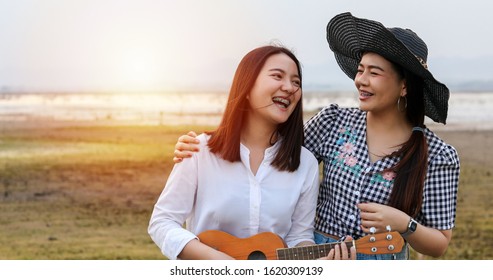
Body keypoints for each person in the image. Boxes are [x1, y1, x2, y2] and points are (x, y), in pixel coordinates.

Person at [172, 13, 460, 260]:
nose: (361, 80)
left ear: (404, 86)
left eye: (375, 72)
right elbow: (271, 148)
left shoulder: (436, 154)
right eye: (360, 71)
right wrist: (211, 142)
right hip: (313, 253)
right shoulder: (334, 122)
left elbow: (440, 241)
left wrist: (405, 224)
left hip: (381, 257)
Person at [148, 45, 355, 260]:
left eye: (296, 82)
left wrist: (316, 263)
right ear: (247, 85)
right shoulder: (199, 150)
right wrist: (217, 261)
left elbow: (298, 236)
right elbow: (162, 222)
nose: (290, 87)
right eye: (277, 76)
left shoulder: (305, 163)